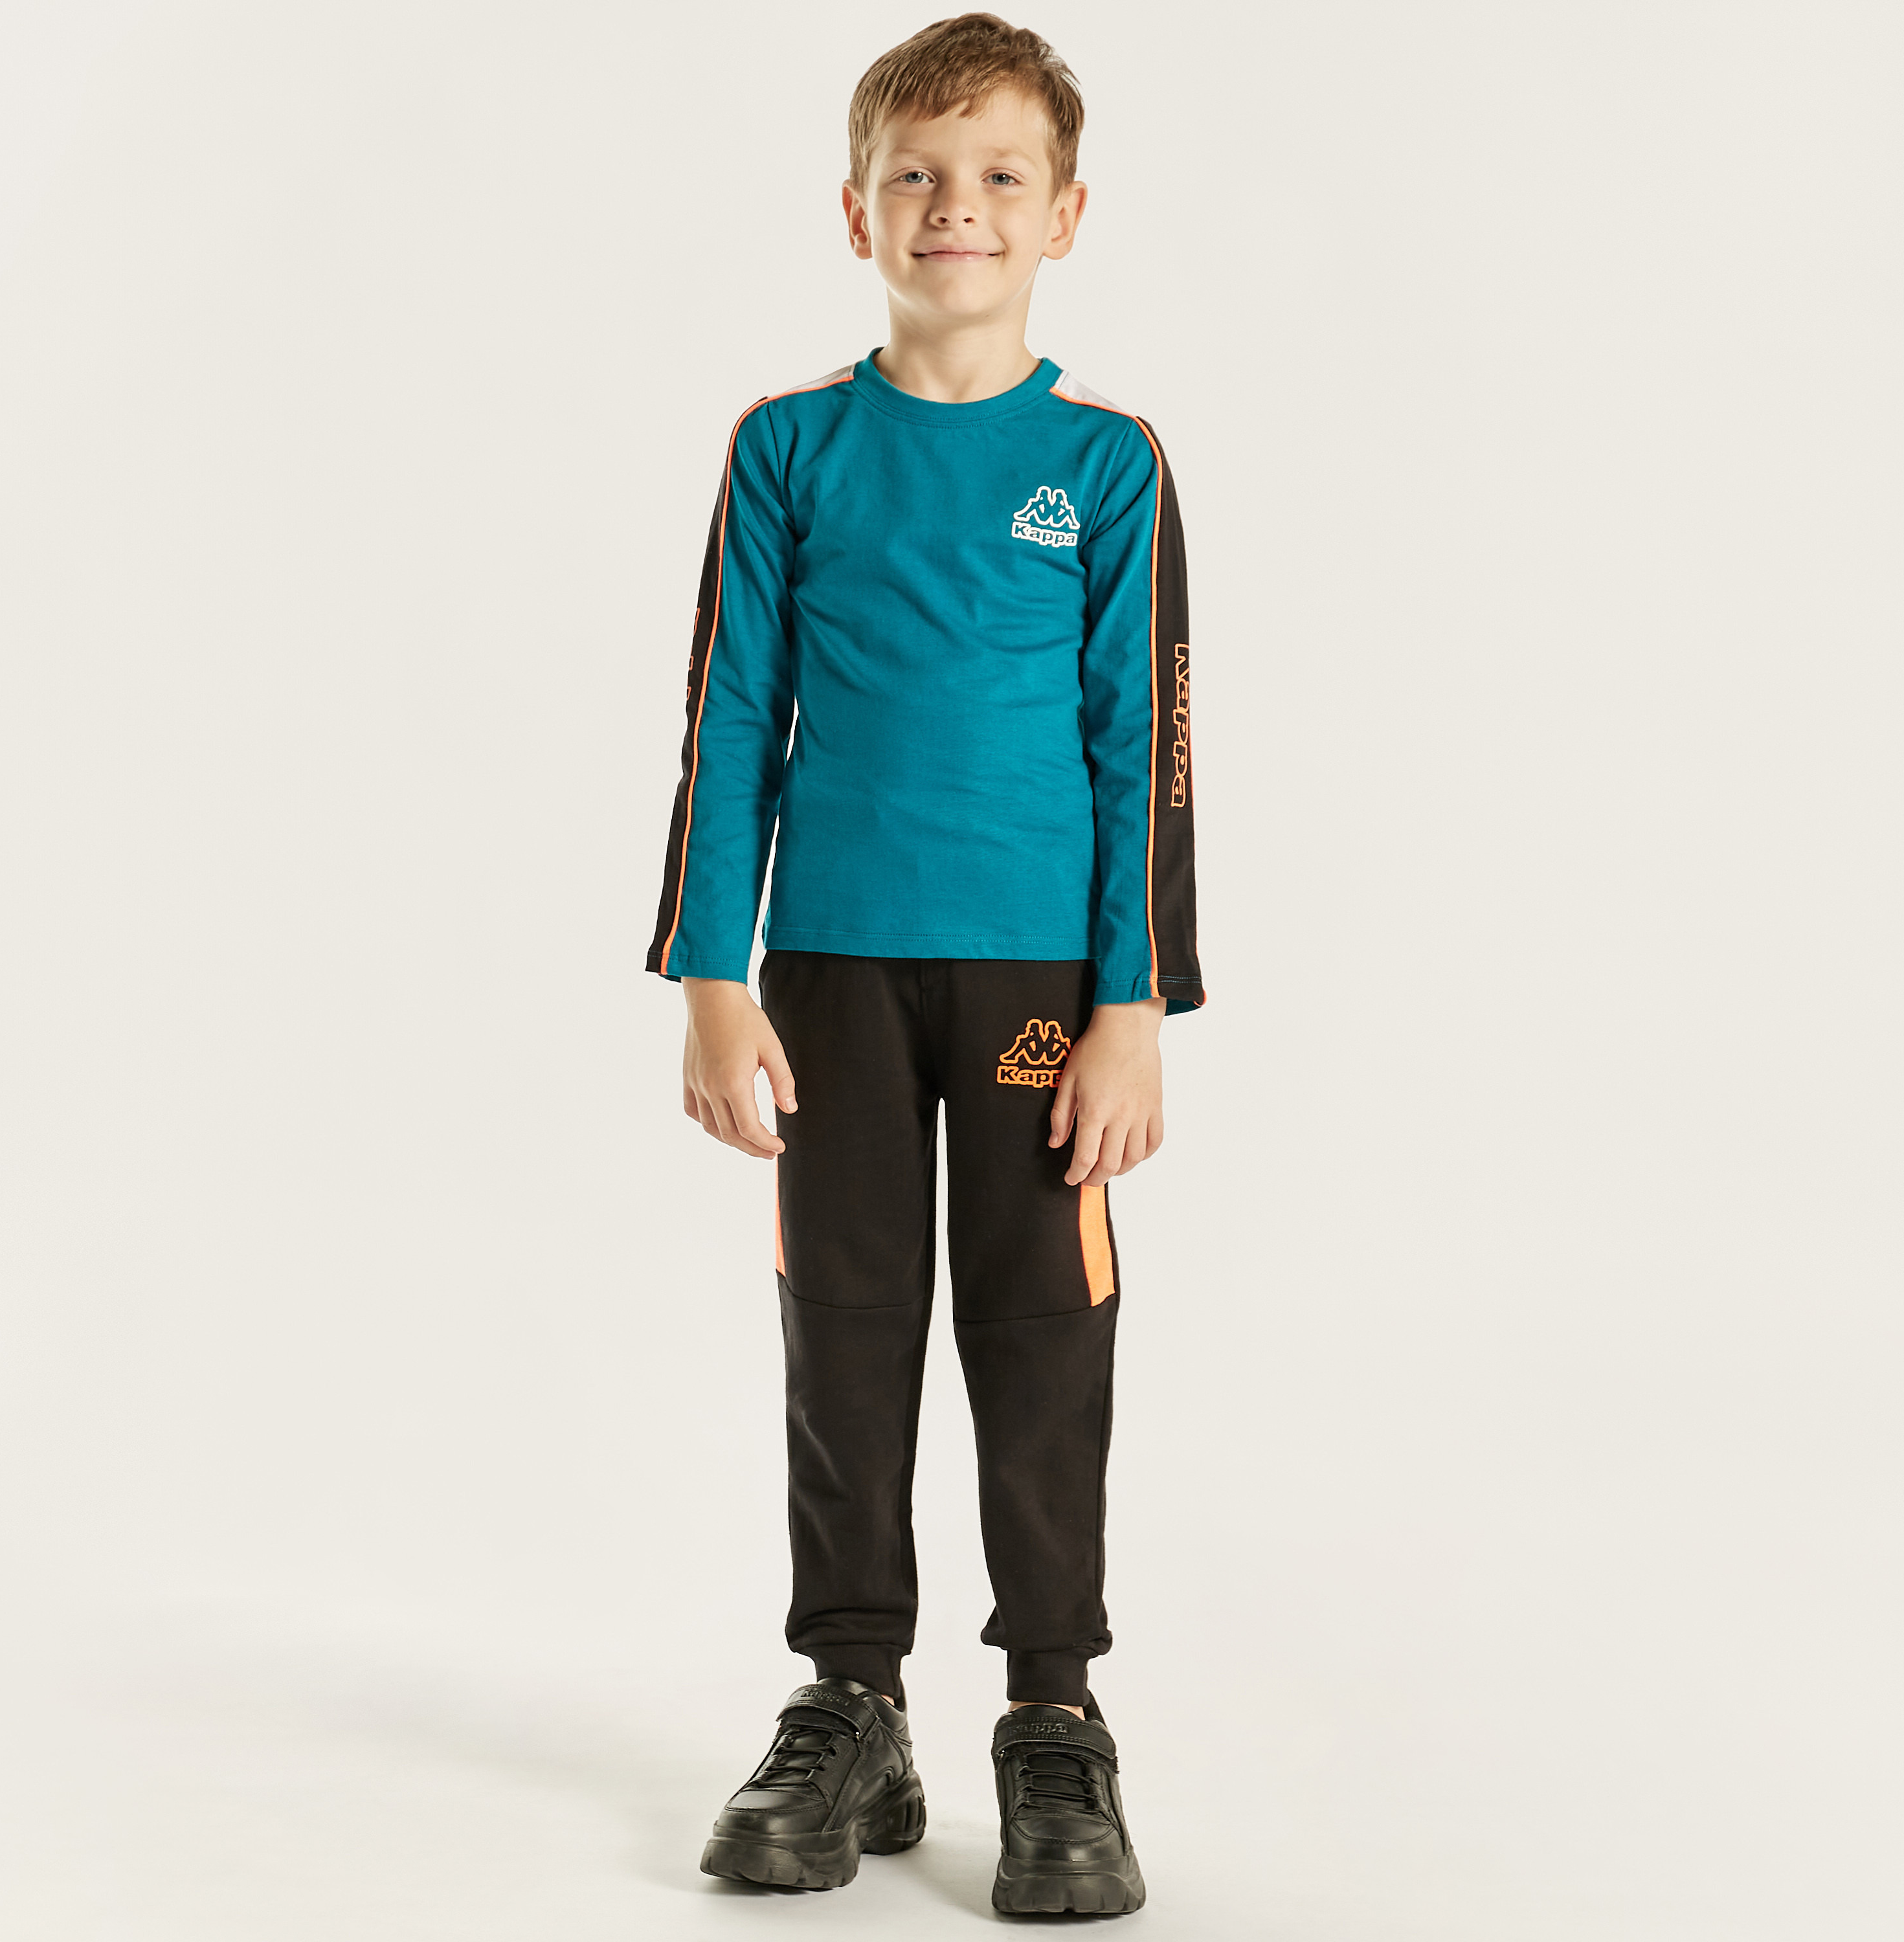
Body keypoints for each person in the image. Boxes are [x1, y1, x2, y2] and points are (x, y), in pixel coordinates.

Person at [645, 12, 1202, 1917]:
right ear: (857, 209)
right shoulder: (790, 447)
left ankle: (1054, 1711)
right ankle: (852, 1698)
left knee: (1040, 1326)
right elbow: (730, 714)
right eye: (918, 175)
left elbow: (1146, 747)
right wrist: (713, 974)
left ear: (1064, 214)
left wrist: (1132, 1005)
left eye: (998, 176)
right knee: (849, 1323)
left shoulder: (1106, 464)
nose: (956, 206)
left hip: (1042, 978)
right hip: (830, 972)